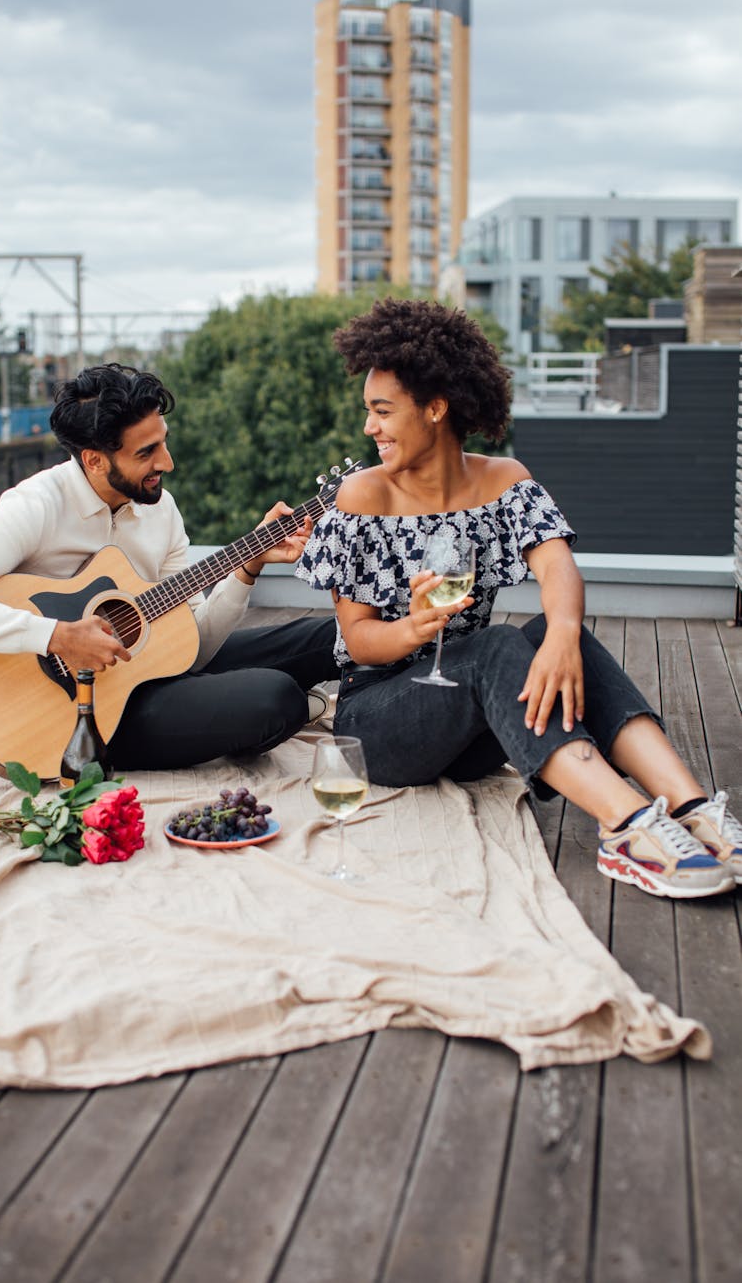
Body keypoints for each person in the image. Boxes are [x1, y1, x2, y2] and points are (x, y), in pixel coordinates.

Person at [295, 298, 742, 900]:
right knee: (499, 642)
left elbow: (557, 566)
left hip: (476, 729)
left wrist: (560, 634)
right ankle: (629, 825)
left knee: (560, 634)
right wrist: (415, 627)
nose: (370, 427)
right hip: (380, 728)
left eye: (383, 411)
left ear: (435, 408)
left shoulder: (502, 480)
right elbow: (356, 641)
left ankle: (694, 810)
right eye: (369, 411)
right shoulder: (362, 496)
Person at [0, 363, 337, 769]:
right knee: (274, 698)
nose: (167, 463)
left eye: (164, 441)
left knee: (328, 636)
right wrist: (58, 636)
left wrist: (248, 567)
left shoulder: (161, 510)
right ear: (93, 459)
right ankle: (288, 705)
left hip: (151, 673)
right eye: (147, 452)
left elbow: (193, 648)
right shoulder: (36, 506)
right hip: (83, 715)